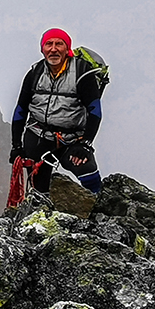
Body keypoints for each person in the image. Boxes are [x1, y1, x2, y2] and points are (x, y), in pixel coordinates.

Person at [10, 27, 105, 195]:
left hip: (73, 138)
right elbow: (21, 110)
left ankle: (101, 206)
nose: (53, 49)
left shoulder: (82, 73)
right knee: (38, 189)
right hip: (38, 135)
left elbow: (95, 111)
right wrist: (16, 145)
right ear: (42, 49)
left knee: (88, 172)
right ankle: (43, 214)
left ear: (67, 49)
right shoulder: (35, 73)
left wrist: (85, 143)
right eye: (49, 44)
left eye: (59, 44)